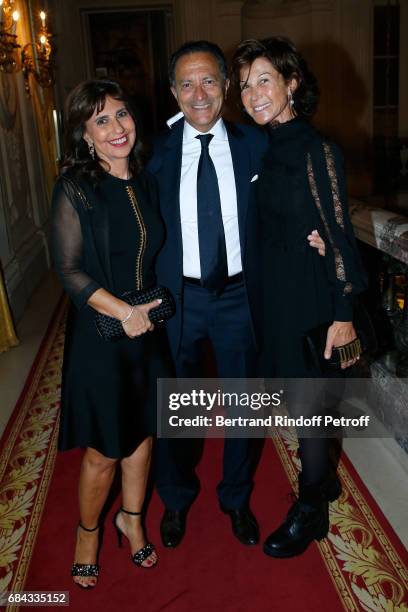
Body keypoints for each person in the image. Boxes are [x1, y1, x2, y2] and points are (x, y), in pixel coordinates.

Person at [147, 40, 326, 549]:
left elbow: (299, 183)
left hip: (239, 297)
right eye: (186, 83)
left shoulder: (256, 144)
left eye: (209, 81)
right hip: (176, 298)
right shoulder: (153, 153)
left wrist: (317, 235)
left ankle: (235, 497)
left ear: (227, 86)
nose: (198, 93)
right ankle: (177, 498)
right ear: (173, 92)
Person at [231, 37, 367, 557]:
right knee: (298, 402)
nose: (252, 93)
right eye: (244, 84)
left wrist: (343, 313)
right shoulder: (264, 146)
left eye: (264, 79)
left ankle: (311, 509)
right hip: (277, 298)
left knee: (311, 407)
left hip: (312, 298)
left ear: (292, 83)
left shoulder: (318, 149)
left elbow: (339, 235)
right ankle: (324, 481)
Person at [51, 79, 172, 587]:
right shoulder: (76, 189)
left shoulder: (146, 180)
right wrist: (124, 312)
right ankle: (86, 533)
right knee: (103, 450)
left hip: (148, 331)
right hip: (103, 335)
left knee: (143, 437)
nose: (116, 128)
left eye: (121, 115)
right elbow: (69, 269)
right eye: (101, 120)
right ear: (85, 135)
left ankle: (133, 519)